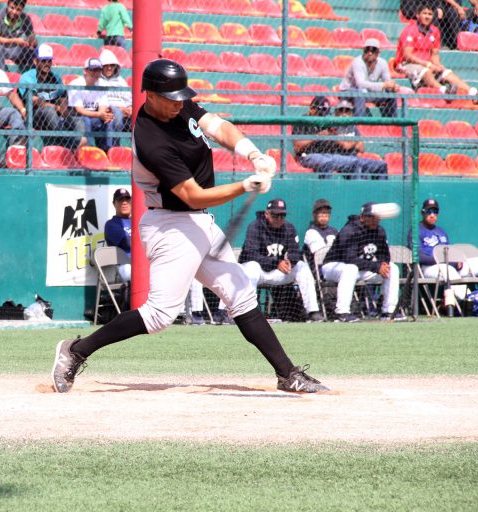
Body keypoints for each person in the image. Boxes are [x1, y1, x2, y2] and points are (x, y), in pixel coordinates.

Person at [51, 58, 328, 394]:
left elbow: (217, 125)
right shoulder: (152, 138)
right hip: (170, 224)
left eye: (182, 97)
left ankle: (288, 374)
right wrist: (245, 186)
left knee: (240, 292)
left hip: (196, 223)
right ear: (150, 95)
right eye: (172, 97)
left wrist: (253, 154)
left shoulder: (176, 106)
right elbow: (193, 196)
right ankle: (75, 351)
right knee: (159, 315)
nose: (180, 103)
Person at [239, 198, 323, 323]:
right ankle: (249, 312)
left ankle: (313, 311)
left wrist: (290, 261)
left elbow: (296, 252)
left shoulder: (288, 227)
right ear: (267, 214)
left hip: (278, 272)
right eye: (275, 215)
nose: (279, 219)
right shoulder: (255, 226)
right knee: (252, 267)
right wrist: (276, 262)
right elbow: (251, 255)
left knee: (301, 266)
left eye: (282, 215)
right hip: (259, 273)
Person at [322, 202, 404, 322]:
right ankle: (342, 312)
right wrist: (376, 266)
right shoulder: (350, 230)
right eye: (371, 216)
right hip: (333, 267)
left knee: (393, 268)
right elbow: (349, 259)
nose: (374, 220)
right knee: (350, 269)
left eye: (376, 217)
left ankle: (388, 311)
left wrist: (383, 265)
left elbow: (384, 255)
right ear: (362, 217)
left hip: (361, 269)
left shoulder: (379, 231)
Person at [394, 3, 478, 100]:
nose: (427, 17)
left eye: (430, 14)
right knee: (426, 71)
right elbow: (408, 56)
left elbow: (434, 54)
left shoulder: (435, 31)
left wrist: (437, 65)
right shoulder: (409, 30)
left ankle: (472, 92)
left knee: (447, 73)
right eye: (424, 13)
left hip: (428, 64)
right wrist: (428, 64)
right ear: (418, 15)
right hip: (406, 64)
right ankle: (444, 90)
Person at [292, 95, 388, 180]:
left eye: (324, 113)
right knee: (327, 162)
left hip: (327, 155)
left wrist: (332, 135)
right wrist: (317, 136)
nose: (322, 116)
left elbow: (359, 147)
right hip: (307, 156)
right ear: (312, 109)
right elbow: (297, 147)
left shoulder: (328, 122)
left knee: (372, 164)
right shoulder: (302, 121)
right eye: (320, 113)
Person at [19, 44, 83, 152]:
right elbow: (34, 101)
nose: (47, 64)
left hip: (54, 116)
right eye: (43, 61)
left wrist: (65, 113)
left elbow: (63, 99)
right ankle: (68, 142)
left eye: (49, 61)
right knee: (49, 111)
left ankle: (76, 145)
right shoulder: (28, 77)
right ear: (35, 61)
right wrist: (55, 107)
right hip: (33, 116)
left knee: (77, 121)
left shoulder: (56, 78)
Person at [410, 198, 478, 300]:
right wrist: (448, 262)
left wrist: (455, 261)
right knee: (449, 271)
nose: (432, 215)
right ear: (422, 212)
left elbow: (449, 253)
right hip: (429, 268)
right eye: (429, 211)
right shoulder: (416, 231)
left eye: (435, 211)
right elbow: (419, 257)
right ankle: (470, 301)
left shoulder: (441, 231)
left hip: (450, 264)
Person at [69, 57, 124, 152]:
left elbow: (103, 106)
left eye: (98, 70)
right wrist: (99, 114)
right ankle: (89, 150)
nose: (96, 73)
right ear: (85, 71)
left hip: (94, 116)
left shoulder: (101, 84)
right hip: (77, 118)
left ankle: (107, 150)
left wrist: (104, 115)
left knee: (108, 119)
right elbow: (79, 110)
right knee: (86, 120)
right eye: (93, 70)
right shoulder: (76, 83)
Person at [338, 38, 399, 118]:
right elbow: (360, 84)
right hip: (348, 91)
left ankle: (392, 122)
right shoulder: (357, 62)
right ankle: (360, 122)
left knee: (390, 92)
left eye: (373, 50)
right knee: (359, 92)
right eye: (367, 50)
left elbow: (388, 81)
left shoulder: (382, 63)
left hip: (368, 92)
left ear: (378, 53)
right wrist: (383, 85)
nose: (370, 53)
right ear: (364, 51)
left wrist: (393, 86)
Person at [0, 0, 38, 73]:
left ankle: (29, 77)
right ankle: (3, 77)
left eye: (18, 10)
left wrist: (32, 42)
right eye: (12, 8)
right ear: (7, 5)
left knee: (31, 52)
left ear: (22, 10)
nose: (14, 12)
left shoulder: (25, 19)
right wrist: (15, 40)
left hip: (14, 50)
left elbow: (32, 39)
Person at [302, 198, 338, 273]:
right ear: (314, 214)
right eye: (321, 213)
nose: (324, 216)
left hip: (334, 267)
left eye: (326, 213)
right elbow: (321, 255)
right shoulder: (311, 232)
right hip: (317, 271)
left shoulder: (334, 231)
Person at [98, 48, 132, 126]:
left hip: (124, 109)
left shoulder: (120, 81)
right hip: (108, 109)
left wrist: (129, 108)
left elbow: (128, 99)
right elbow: (100, 101)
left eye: (112, 65)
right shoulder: (98, 81)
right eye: (106, 65)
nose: (109, 68)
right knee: (116, 112)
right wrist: (119, 108)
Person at [104, 187, 131, 283]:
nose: (124, 202)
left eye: (127, 199)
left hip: (143, 263)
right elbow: (127, 242)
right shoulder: (111, 224)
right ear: (114, 203)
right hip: (125, 265)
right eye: (120, 200)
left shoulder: (138, 221)